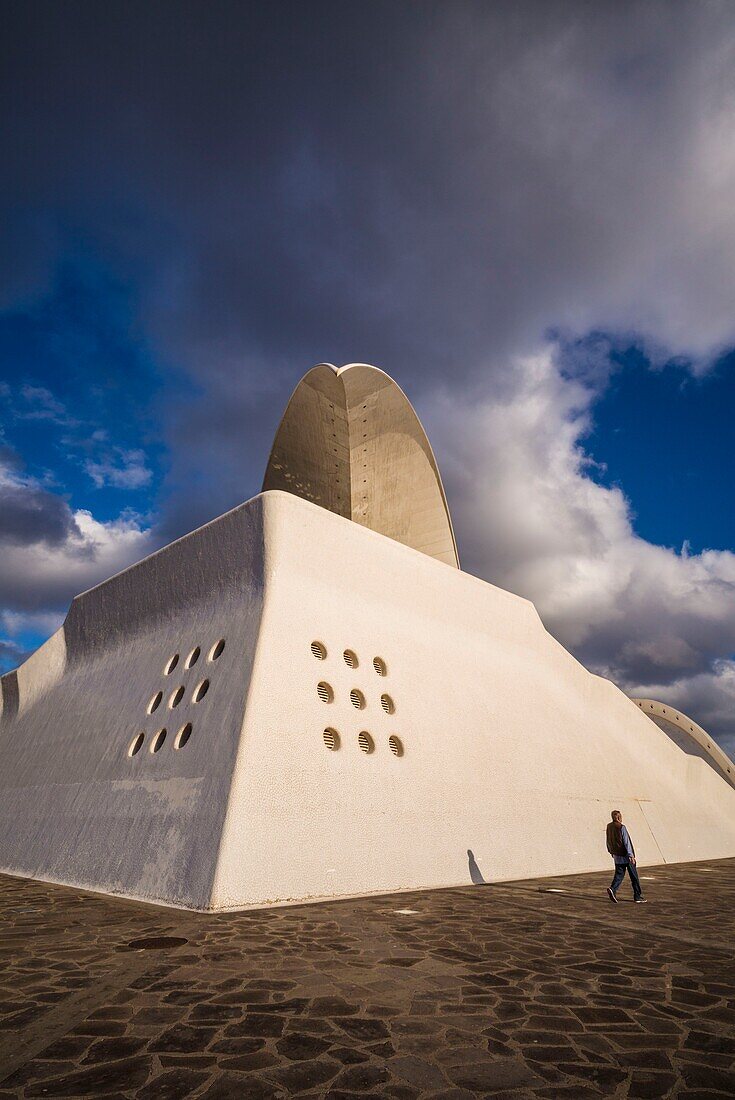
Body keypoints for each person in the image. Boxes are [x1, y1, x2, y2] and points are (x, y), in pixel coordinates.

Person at [606, 810, 646, 903]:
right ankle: (637, 896)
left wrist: (611, 851)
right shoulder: (622, 827)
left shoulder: (609, 826)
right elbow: (626, 841)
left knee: (619, 875)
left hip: (616, 855)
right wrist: (631, 855)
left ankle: (613, 889)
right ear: (619, 817)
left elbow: (608, 840)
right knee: (634, 876)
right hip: (626, 856)